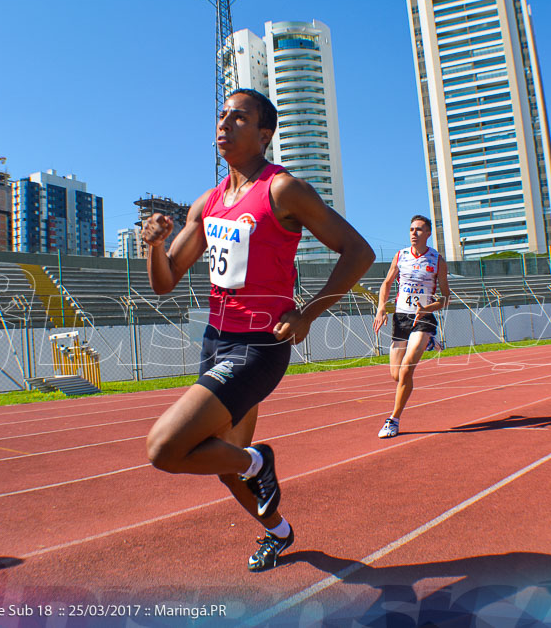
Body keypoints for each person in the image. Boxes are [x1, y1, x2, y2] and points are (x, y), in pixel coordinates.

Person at [141, 88, 374, 572]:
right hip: (215, 341)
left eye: (238, 117)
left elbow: (359, 251)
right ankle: (279, 531)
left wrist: (309, 313)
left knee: (164, 448)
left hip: (259, 346)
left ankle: (256, 462)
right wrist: (154, 246)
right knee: (226, 467)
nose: (224, 122)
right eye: (221, 114)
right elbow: (166, 283)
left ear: (264, 134)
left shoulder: (282, 190)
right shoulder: (207, 204)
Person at [372, 215, 450, 439]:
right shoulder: (401, 256)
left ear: (428, 233)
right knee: (397, 376)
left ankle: (393, 420)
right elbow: (386, 283)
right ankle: (430, 343)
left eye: (418, 230)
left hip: (423, 318)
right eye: (411, 229)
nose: (413, 233)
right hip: (401, 318)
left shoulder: (437, 260)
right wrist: (381, 309)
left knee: (407, 369)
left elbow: (446, 297)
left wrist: (428, 308)